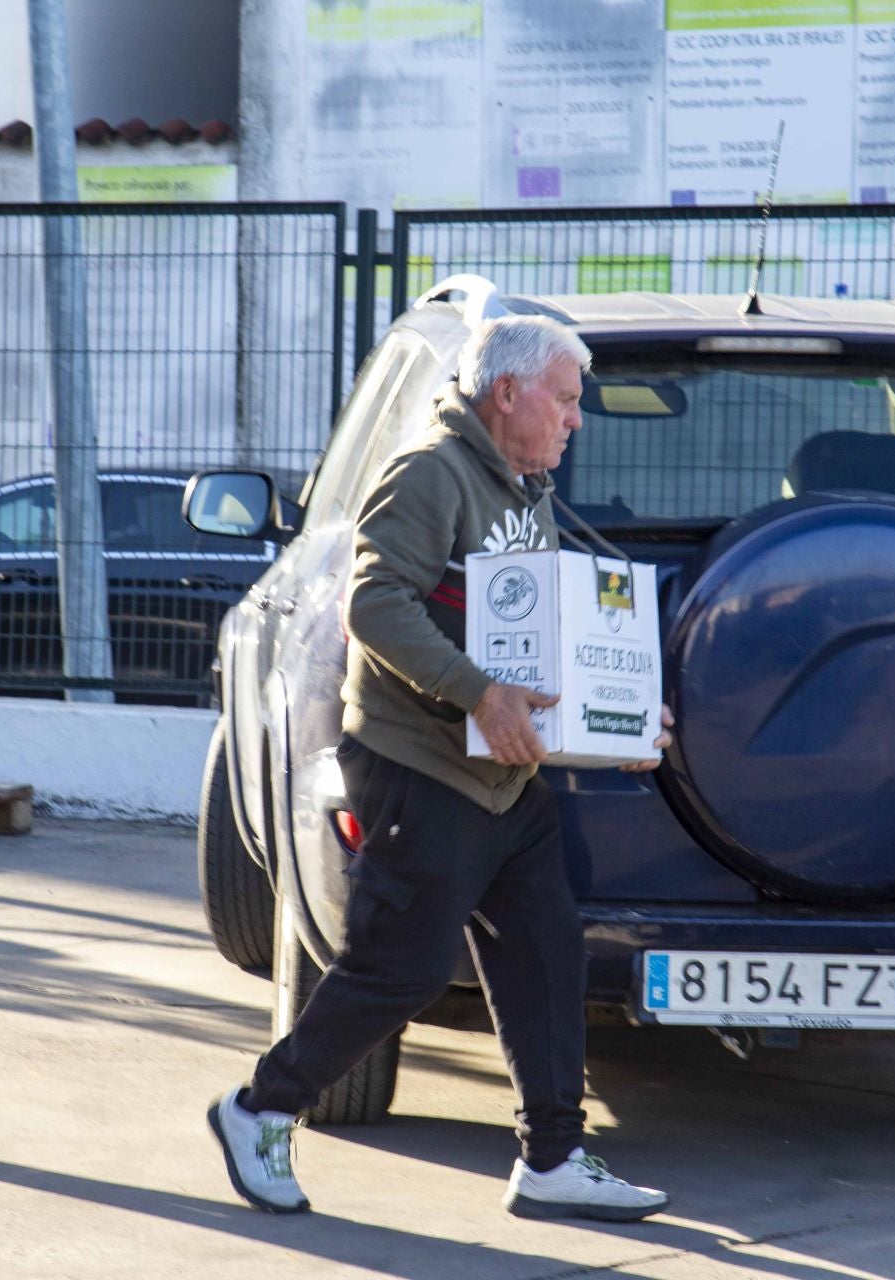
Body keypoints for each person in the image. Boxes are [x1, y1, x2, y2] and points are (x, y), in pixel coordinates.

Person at [208, 315, 675, 1220]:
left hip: (501, 777)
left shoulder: (523, 486)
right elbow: (372, 606)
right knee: (402, 968)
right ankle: (258, 1108)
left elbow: (529, 634)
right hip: (420, 765)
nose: (578, 420)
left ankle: (552, 1158)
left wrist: (614, 718)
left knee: (546, 952)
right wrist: (477, 695)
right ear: (508, 393)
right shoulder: (431, 471)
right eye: (568, 399)